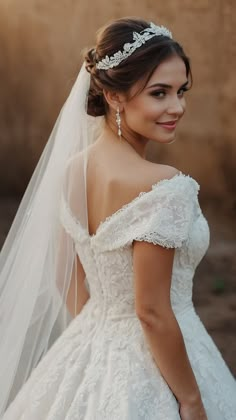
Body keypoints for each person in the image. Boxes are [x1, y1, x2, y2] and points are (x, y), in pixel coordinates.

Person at [0, 16, 235, 420]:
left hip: (89, 345)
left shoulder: (73, 170)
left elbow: (65, 276)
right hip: (164, 359)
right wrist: (193, 403)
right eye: (159, 93)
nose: (176, 107)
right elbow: (152, 310)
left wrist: (104, 338)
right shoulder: (164, 187)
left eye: (182, 91)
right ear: (113, 96)